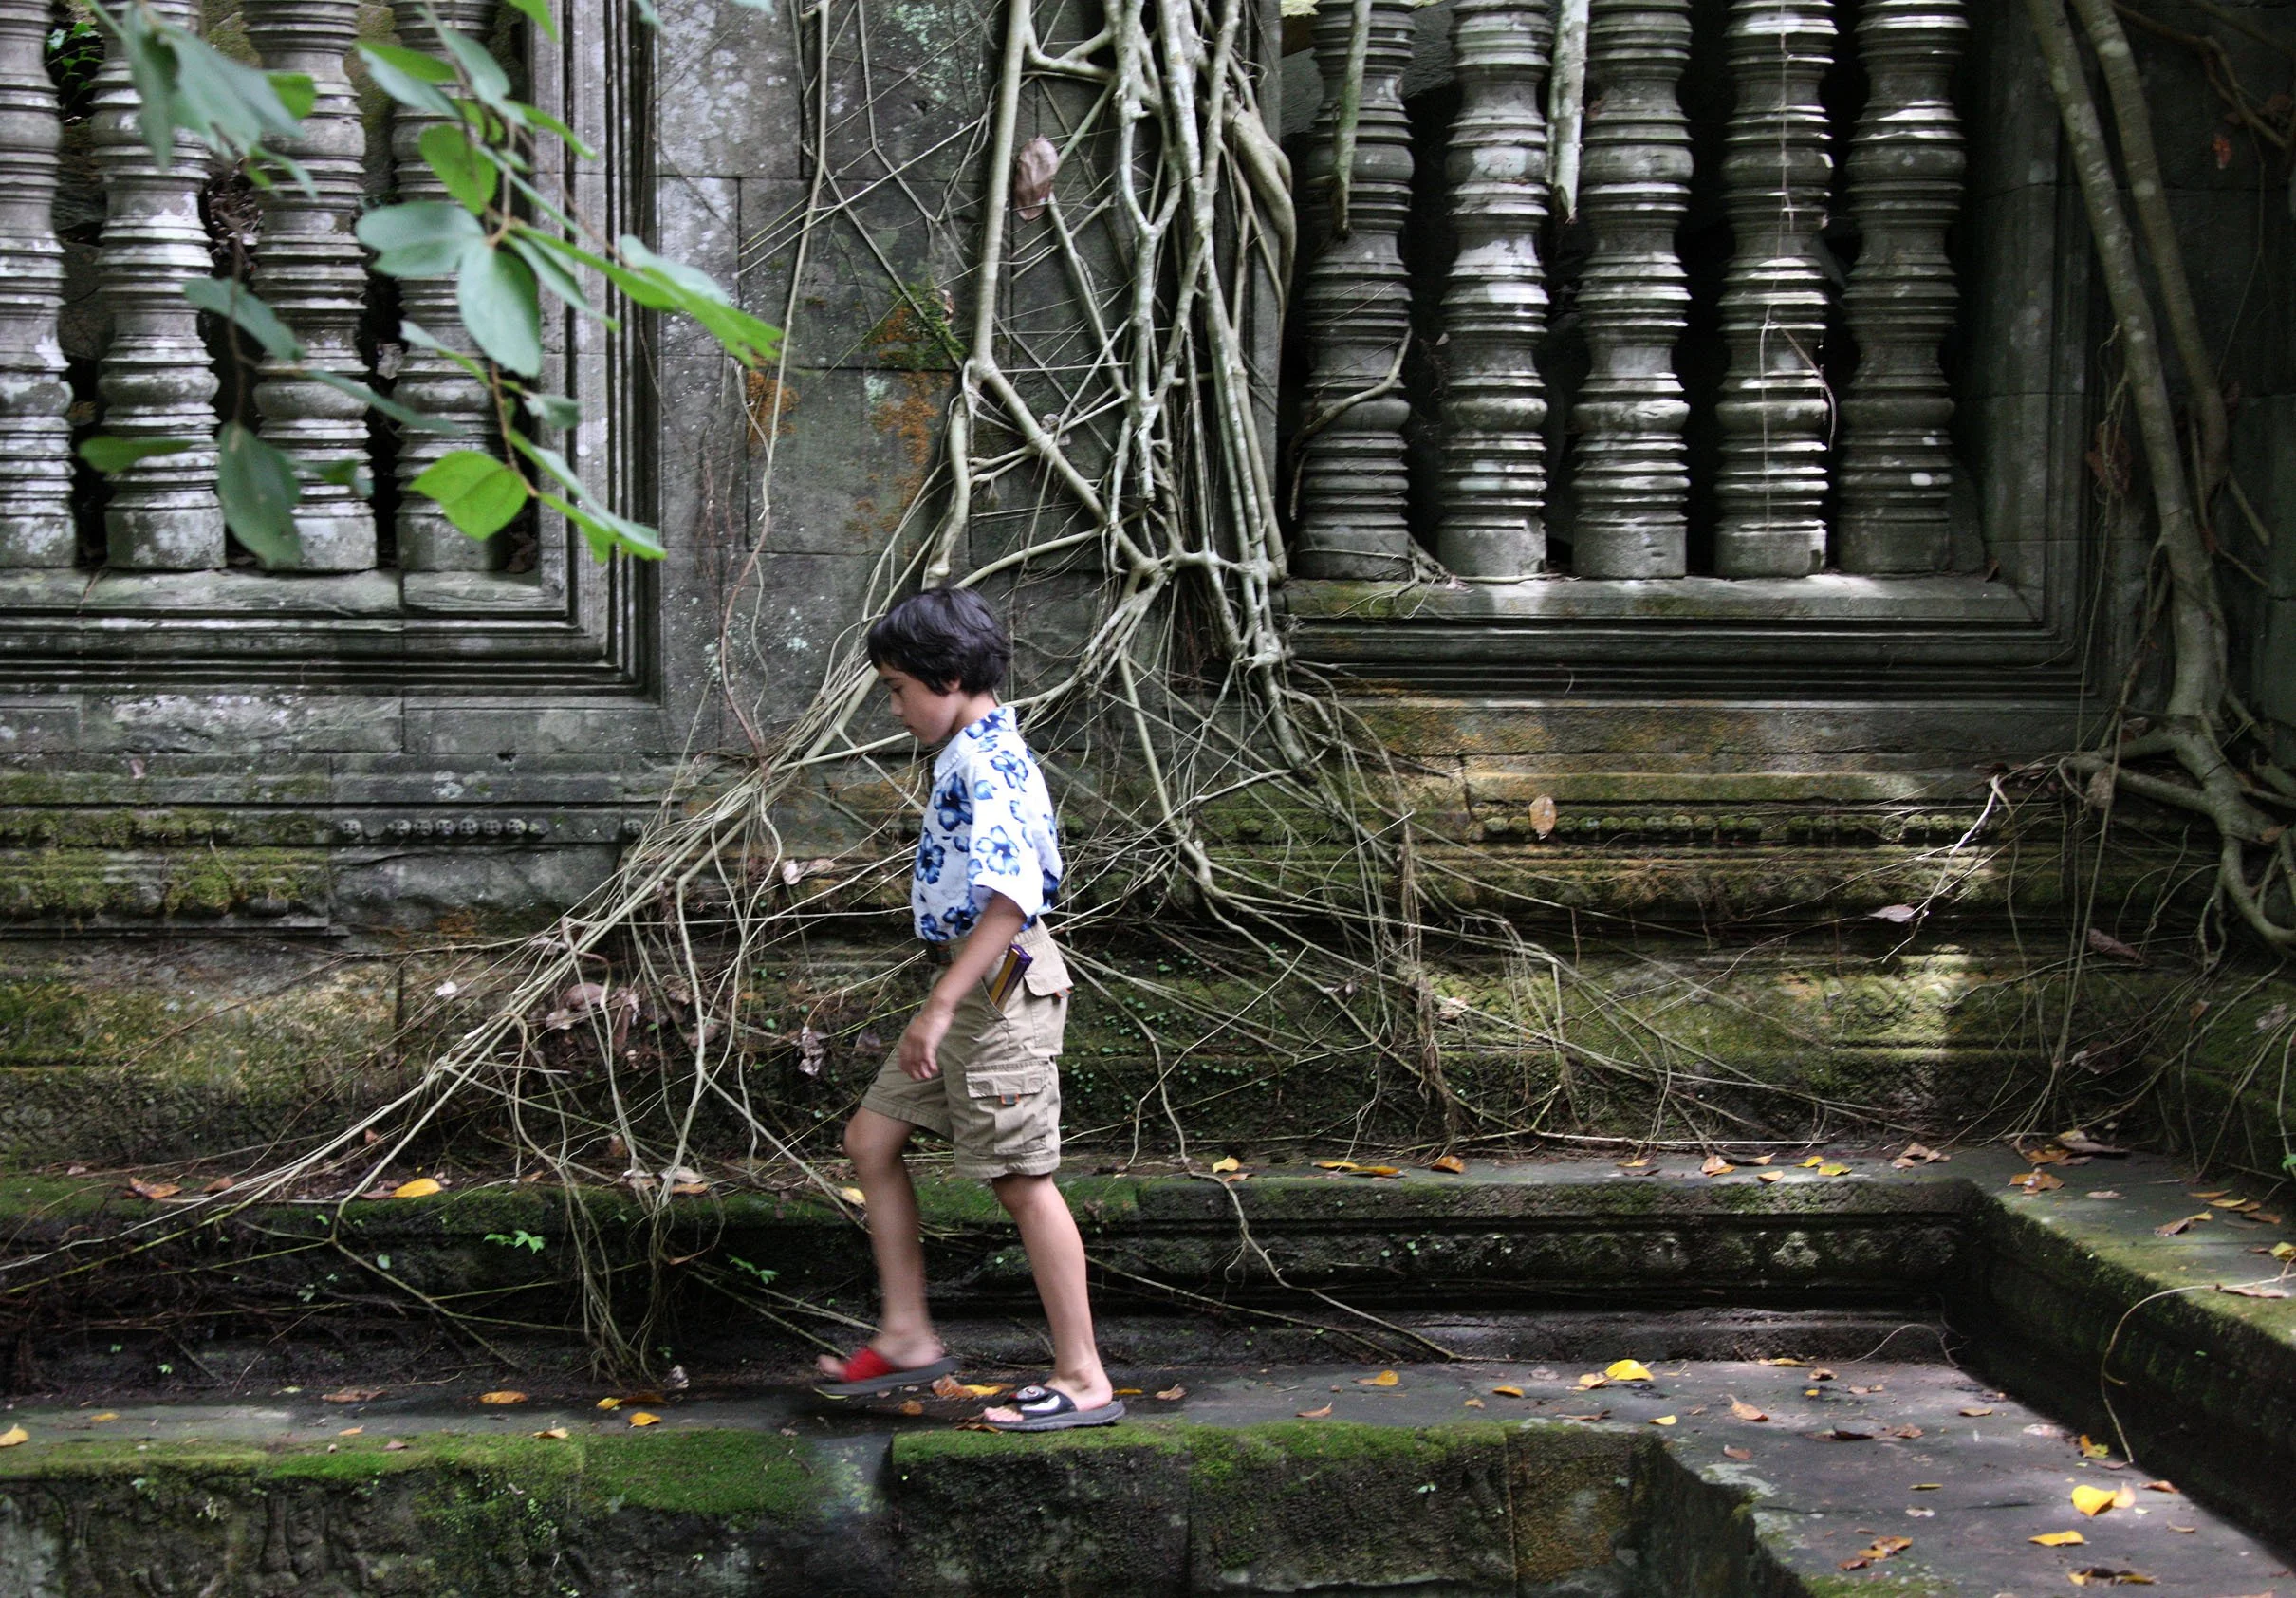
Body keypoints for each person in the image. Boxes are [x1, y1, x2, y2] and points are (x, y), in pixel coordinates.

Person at [810, 586, 1121, 1432]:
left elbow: (1013, 895)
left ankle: (1085, 1375)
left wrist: (939, 1005)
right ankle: (908, 1332)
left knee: (1022, 1180)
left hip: (997, 988)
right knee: (872, 1140)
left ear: (947, 677)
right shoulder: (968, 750)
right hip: (976, 982)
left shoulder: (989, 762)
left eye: (898, 688)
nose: (895, 706)